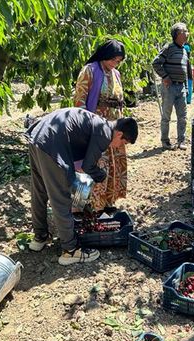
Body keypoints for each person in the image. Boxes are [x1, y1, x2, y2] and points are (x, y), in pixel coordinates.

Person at [25, 108, 138, 265]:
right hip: (51, 144)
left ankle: (40, 238)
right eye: (123, 143)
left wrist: (82, 192)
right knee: (61, 199)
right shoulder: (105, 133)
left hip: (38, 137)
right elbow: (88, 166)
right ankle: (70, 251)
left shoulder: (96, 124)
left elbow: (79, 167)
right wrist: (101, 176)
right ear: (119, 134)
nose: (119, 146)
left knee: (40, 192)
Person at [74, 40, 128, 213]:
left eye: (118, 61)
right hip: (96, 130)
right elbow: (80, 101)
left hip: (114, 131)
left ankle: (106, 203)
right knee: (95, 166)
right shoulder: (89, 71)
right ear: (104, 55)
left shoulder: (116, 74)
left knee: (112, 166)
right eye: (113, 60)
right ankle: (85, 206)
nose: (115, 64)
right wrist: (85, 128)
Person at [152, 22, 192, 151]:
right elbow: (156, 63)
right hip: (169, 88)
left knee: (183, 116)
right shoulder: (168, 48)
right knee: (166, 116)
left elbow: (184, 71)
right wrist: (165, 76)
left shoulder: (184, 50)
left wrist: (186, 87)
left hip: (180, 88)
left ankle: (181, 140)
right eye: (185, 31)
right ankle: (165, 141)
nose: (187, 34)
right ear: (177, 34)